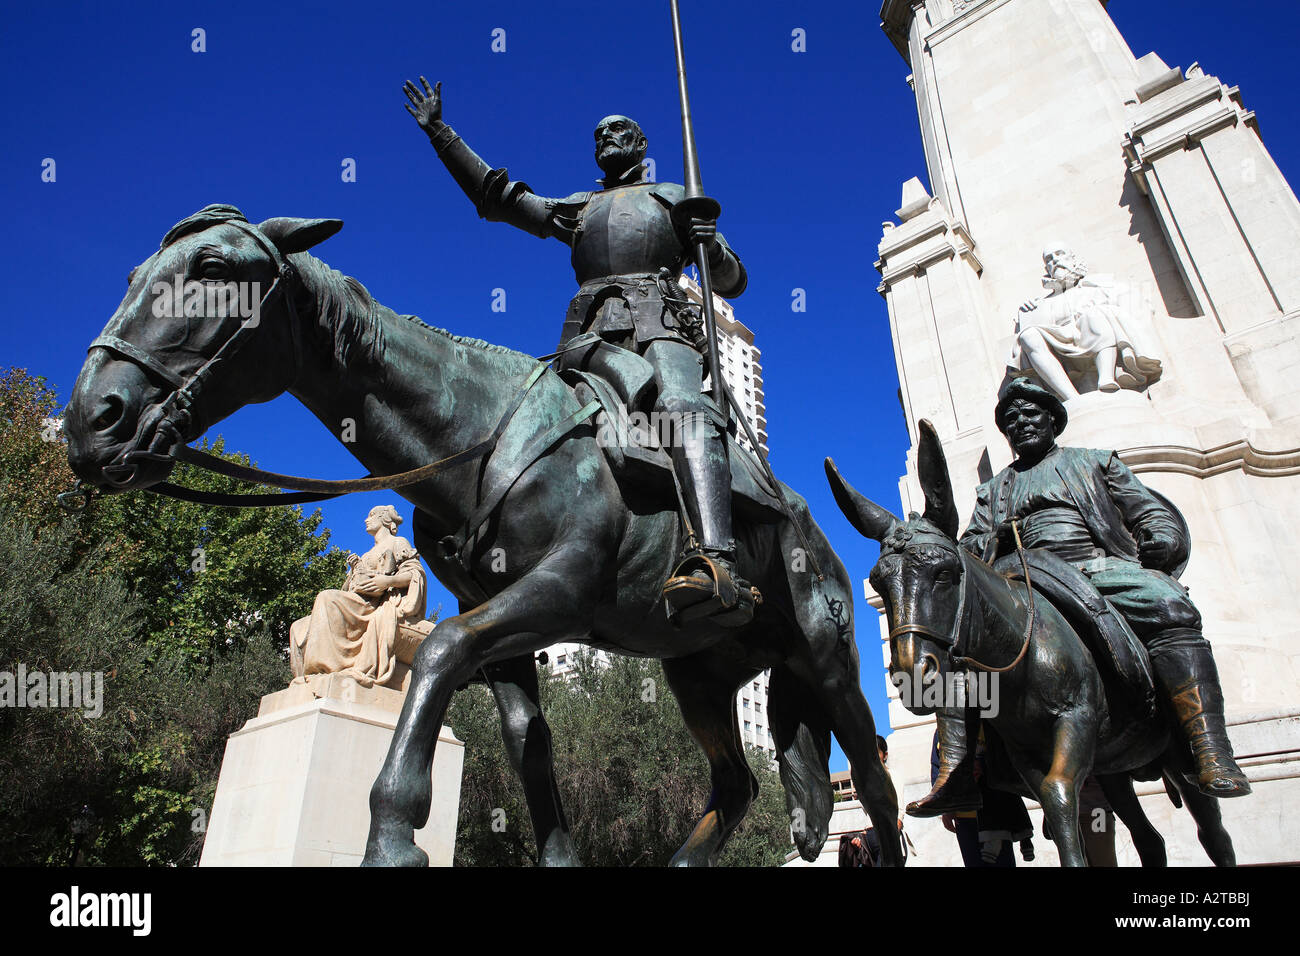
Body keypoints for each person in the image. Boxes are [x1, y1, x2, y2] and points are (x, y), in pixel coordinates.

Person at [402, 77, 756, 624]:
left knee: (684, 409)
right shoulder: (580, 208)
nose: (606, 137)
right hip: (586, 340)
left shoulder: (674, 197)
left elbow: (731, 281)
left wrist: (707, 240)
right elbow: (501, 200)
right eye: (598, 134)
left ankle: (716, 560)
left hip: (660, 327)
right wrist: (441, 135)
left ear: (641, 145)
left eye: (618, 131)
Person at [910, 377, 1249, 817]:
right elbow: (972, 545)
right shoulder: (992, 492)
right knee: (953, 646)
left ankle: (1209, 746)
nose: (1020, 423)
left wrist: (1160, 539)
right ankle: (956, 773)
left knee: (1169, 605)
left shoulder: (1095, 462)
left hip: (1095, 570)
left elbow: (1147, 511)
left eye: (1031, 413)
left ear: (1053, 419)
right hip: (1019, 580)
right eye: (1010, 420)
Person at [290, 504, 427, 687]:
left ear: (385, 519)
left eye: (372, 515)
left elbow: (414, 573)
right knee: (298, 626)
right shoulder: (367, 553)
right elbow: (351, 587)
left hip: (375, 604)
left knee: (326, 598)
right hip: (358, 601)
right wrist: (356, 569)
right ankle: (306, 676)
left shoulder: (398, 542)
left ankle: (324, 669)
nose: (366, 519)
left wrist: (387, 582)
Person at [1009, 243, 1161, 399]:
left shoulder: (1099, 286)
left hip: (1095, 332)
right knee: (1028, 335)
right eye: (1049, 259)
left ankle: (1107, 378)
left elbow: (1134, 305)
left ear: (1072, 258)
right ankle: (1072, 398)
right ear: (1046, 268)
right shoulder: (1043, 302)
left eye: (1059, 254)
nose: (1054, 260)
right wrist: (1031, 311)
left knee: (1094, 314)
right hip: (1063, 343)